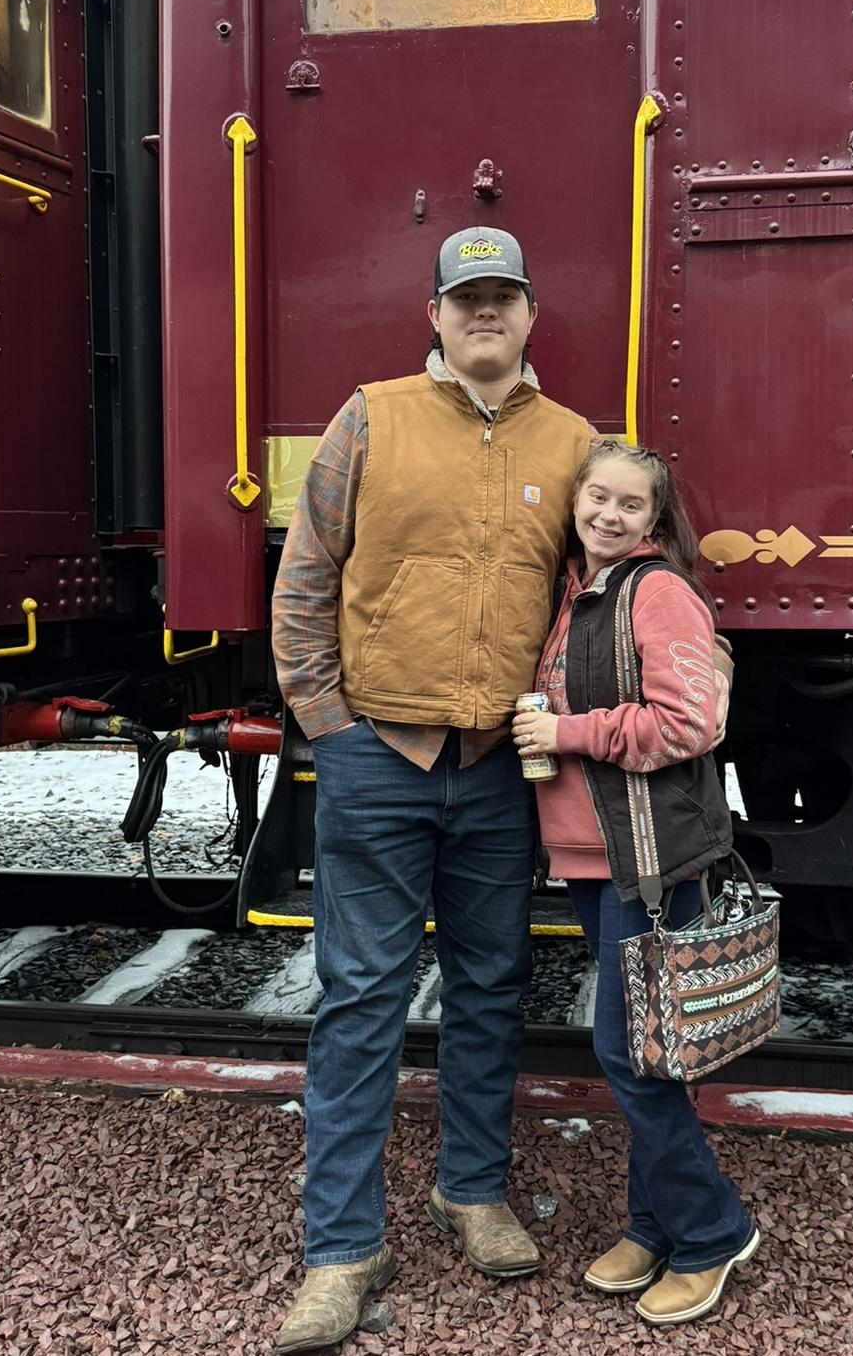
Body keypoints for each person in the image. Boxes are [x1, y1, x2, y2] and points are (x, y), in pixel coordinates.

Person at [268, 227, 595, 1353]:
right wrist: (331, 728)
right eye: (466, 298)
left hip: (501, 764)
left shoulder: (572, 439)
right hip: (380, 754)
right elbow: (304, 580)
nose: (483, 313)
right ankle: (341, 1249)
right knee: (361, 999)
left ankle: (473, 1190)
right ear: (436, 315)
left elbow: (594, 600)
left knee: (493, 985)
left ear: (531, 313)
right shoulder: (371, 417)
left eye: (503, 295)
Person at [511, 439, 759, 1327]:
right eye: (598, 497)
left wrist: (568, 733)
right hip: (593, 857)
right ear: (575, 500)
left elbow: (688, 725)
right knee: (649, 1051)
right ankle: (652, 1226)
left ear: (655, 520)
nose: (609, 515)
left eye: (630, 504)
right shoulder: (580, 591)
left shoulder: (655, 590)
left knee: (630, 1052)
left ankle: (713, 1230)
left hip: (649, 859)